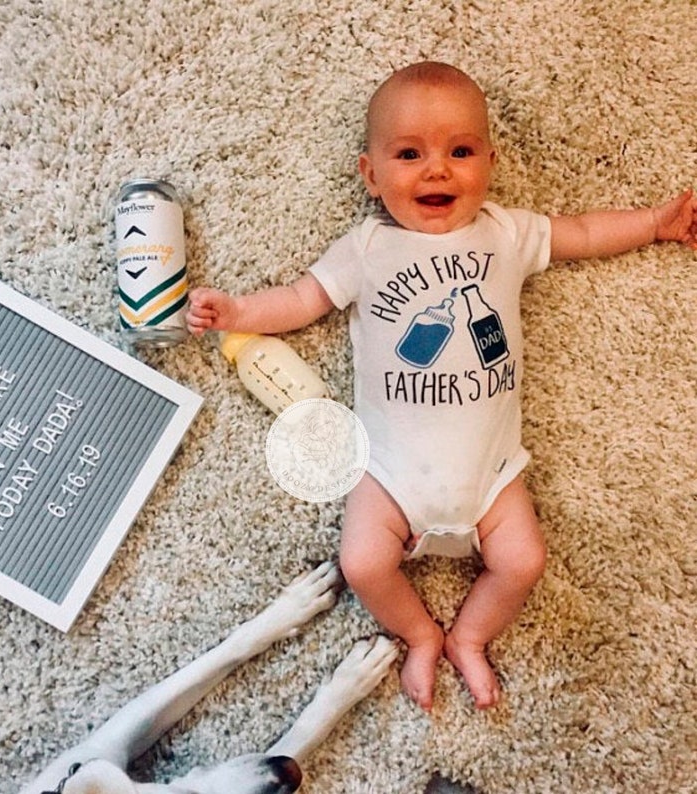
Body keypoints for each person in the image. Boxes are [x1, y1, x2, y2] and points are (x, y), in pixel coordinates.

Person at [187, 61, 697, 712]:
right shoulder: (368, 247)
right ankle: (420, 634)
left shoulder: (505, 232)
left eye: (460, 151)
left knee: (523, 563)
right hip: (391, 476)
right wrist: (236, 313)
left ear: (489, 161)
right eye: (409, 154)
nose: (437, 170)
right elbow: (301, 298)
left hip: (492, 477)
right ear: (371, 174)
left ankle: (471, 637)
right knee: (365, 564)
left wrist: (654, 223)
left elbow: (585, 233)